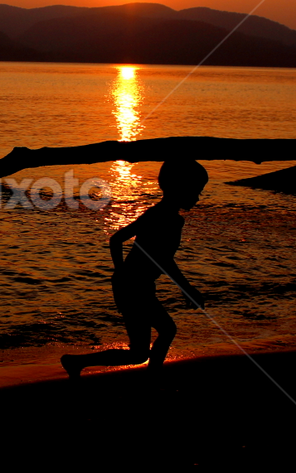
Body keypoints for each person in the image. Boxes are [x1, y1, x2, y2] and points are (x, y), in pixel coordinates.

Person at [61, 158, 208, 378]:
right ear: (180, 189)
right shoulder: (166, 218)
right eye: (195, 191)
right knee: (160, 335)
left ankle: (77, 362)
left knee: (144, 349)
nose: (197, 198)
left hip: (134, 285)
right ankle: (151, 378)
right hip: (134, 287)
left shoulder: (156, 213)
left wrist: (120, 273)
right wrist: (187, 289)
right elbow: (164, 260)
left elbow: (117, 240)